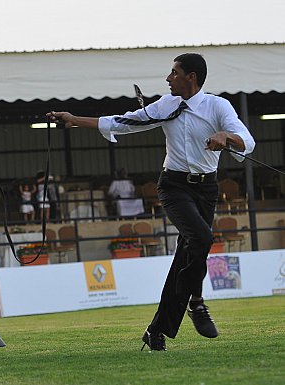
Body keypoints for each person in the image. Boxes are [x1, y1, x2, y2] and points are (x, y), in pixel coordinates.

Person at [48, 53, 255, 351]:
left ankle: (156, 330)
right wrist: (74, 120)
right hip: (173, 186)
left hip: (206, 188)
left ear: (191, 77)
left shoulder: (217, 106)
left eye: (173, 72)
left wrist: (225, 136)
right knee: (202, 239)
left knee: (187, 253)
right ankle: (196, 302)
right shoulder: (165, 105)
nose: (168, 78)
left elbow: (247, 142)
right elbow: (124, 122)